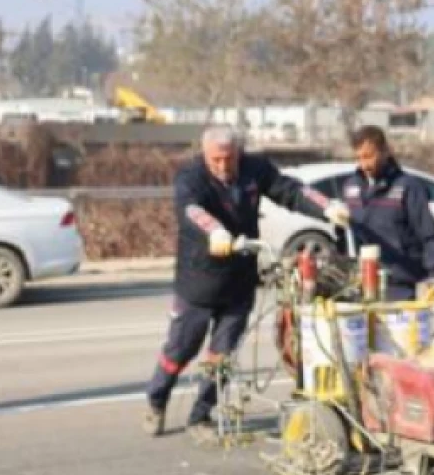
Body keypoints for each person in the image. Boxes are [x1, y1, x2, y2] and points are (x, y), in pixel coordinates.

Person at [143, 125, 349, 437]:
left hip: (239, 280)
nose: (224, 167)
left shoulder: (254, 169)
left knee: (222, 356)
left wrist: (326, 208)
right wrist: (215, 232)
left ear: (238, 152)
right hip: (198, 280)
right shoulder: (191, 177)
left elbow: (289, 191)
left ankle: (201, 415)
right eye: (216, 160)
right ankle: (156, 400)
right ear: (205, 155)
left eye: (229, 159)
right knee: (180, 350)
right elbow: (192, 210)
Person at [339, 125, 434, 301]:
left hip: (399, 285)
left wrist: (433, 275)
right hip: (361, 284)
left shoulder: (408, 187)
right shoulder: (351, 187)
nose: (364, 164)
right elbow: (345, 237)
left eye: (369, 156)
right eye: (359, 158)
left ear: (385, 152)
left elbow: (430, 235)